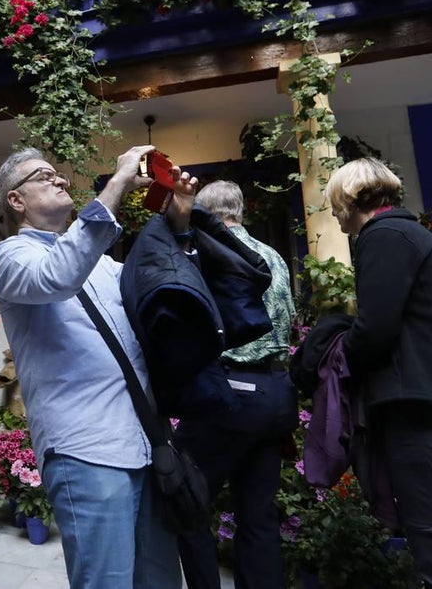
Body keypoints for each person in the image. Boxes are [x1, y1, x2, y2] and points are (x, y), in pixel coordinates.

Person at [0, 145, 195, 589]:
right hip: (86, 451)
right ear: (16, 200)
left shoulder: (103, 263)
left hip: (145, 444)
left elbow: (157, 296)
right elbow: (57, 276)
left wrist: (178, 222)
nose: (60, 179)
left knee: (161, 582)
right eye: (44, 175)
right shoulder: (10, 256)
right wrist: (117, 182)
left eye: (58, 173)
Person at [324, 159, 432, 589]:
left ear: (348, 199)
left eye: (333, 204)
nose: (333, 215)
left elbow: (375, 328)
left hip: (422, 412)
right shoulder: (408, 233)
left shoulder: (383, 236)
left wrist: (336, 356)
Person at [174, 180, 299, 589]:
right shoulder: (272, 255)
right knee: (258, 515)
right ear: (239, 210)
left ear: (205, 214)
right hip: (275, 393)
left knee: (187, 501)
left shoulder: (210, 253)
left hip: (231, 392)